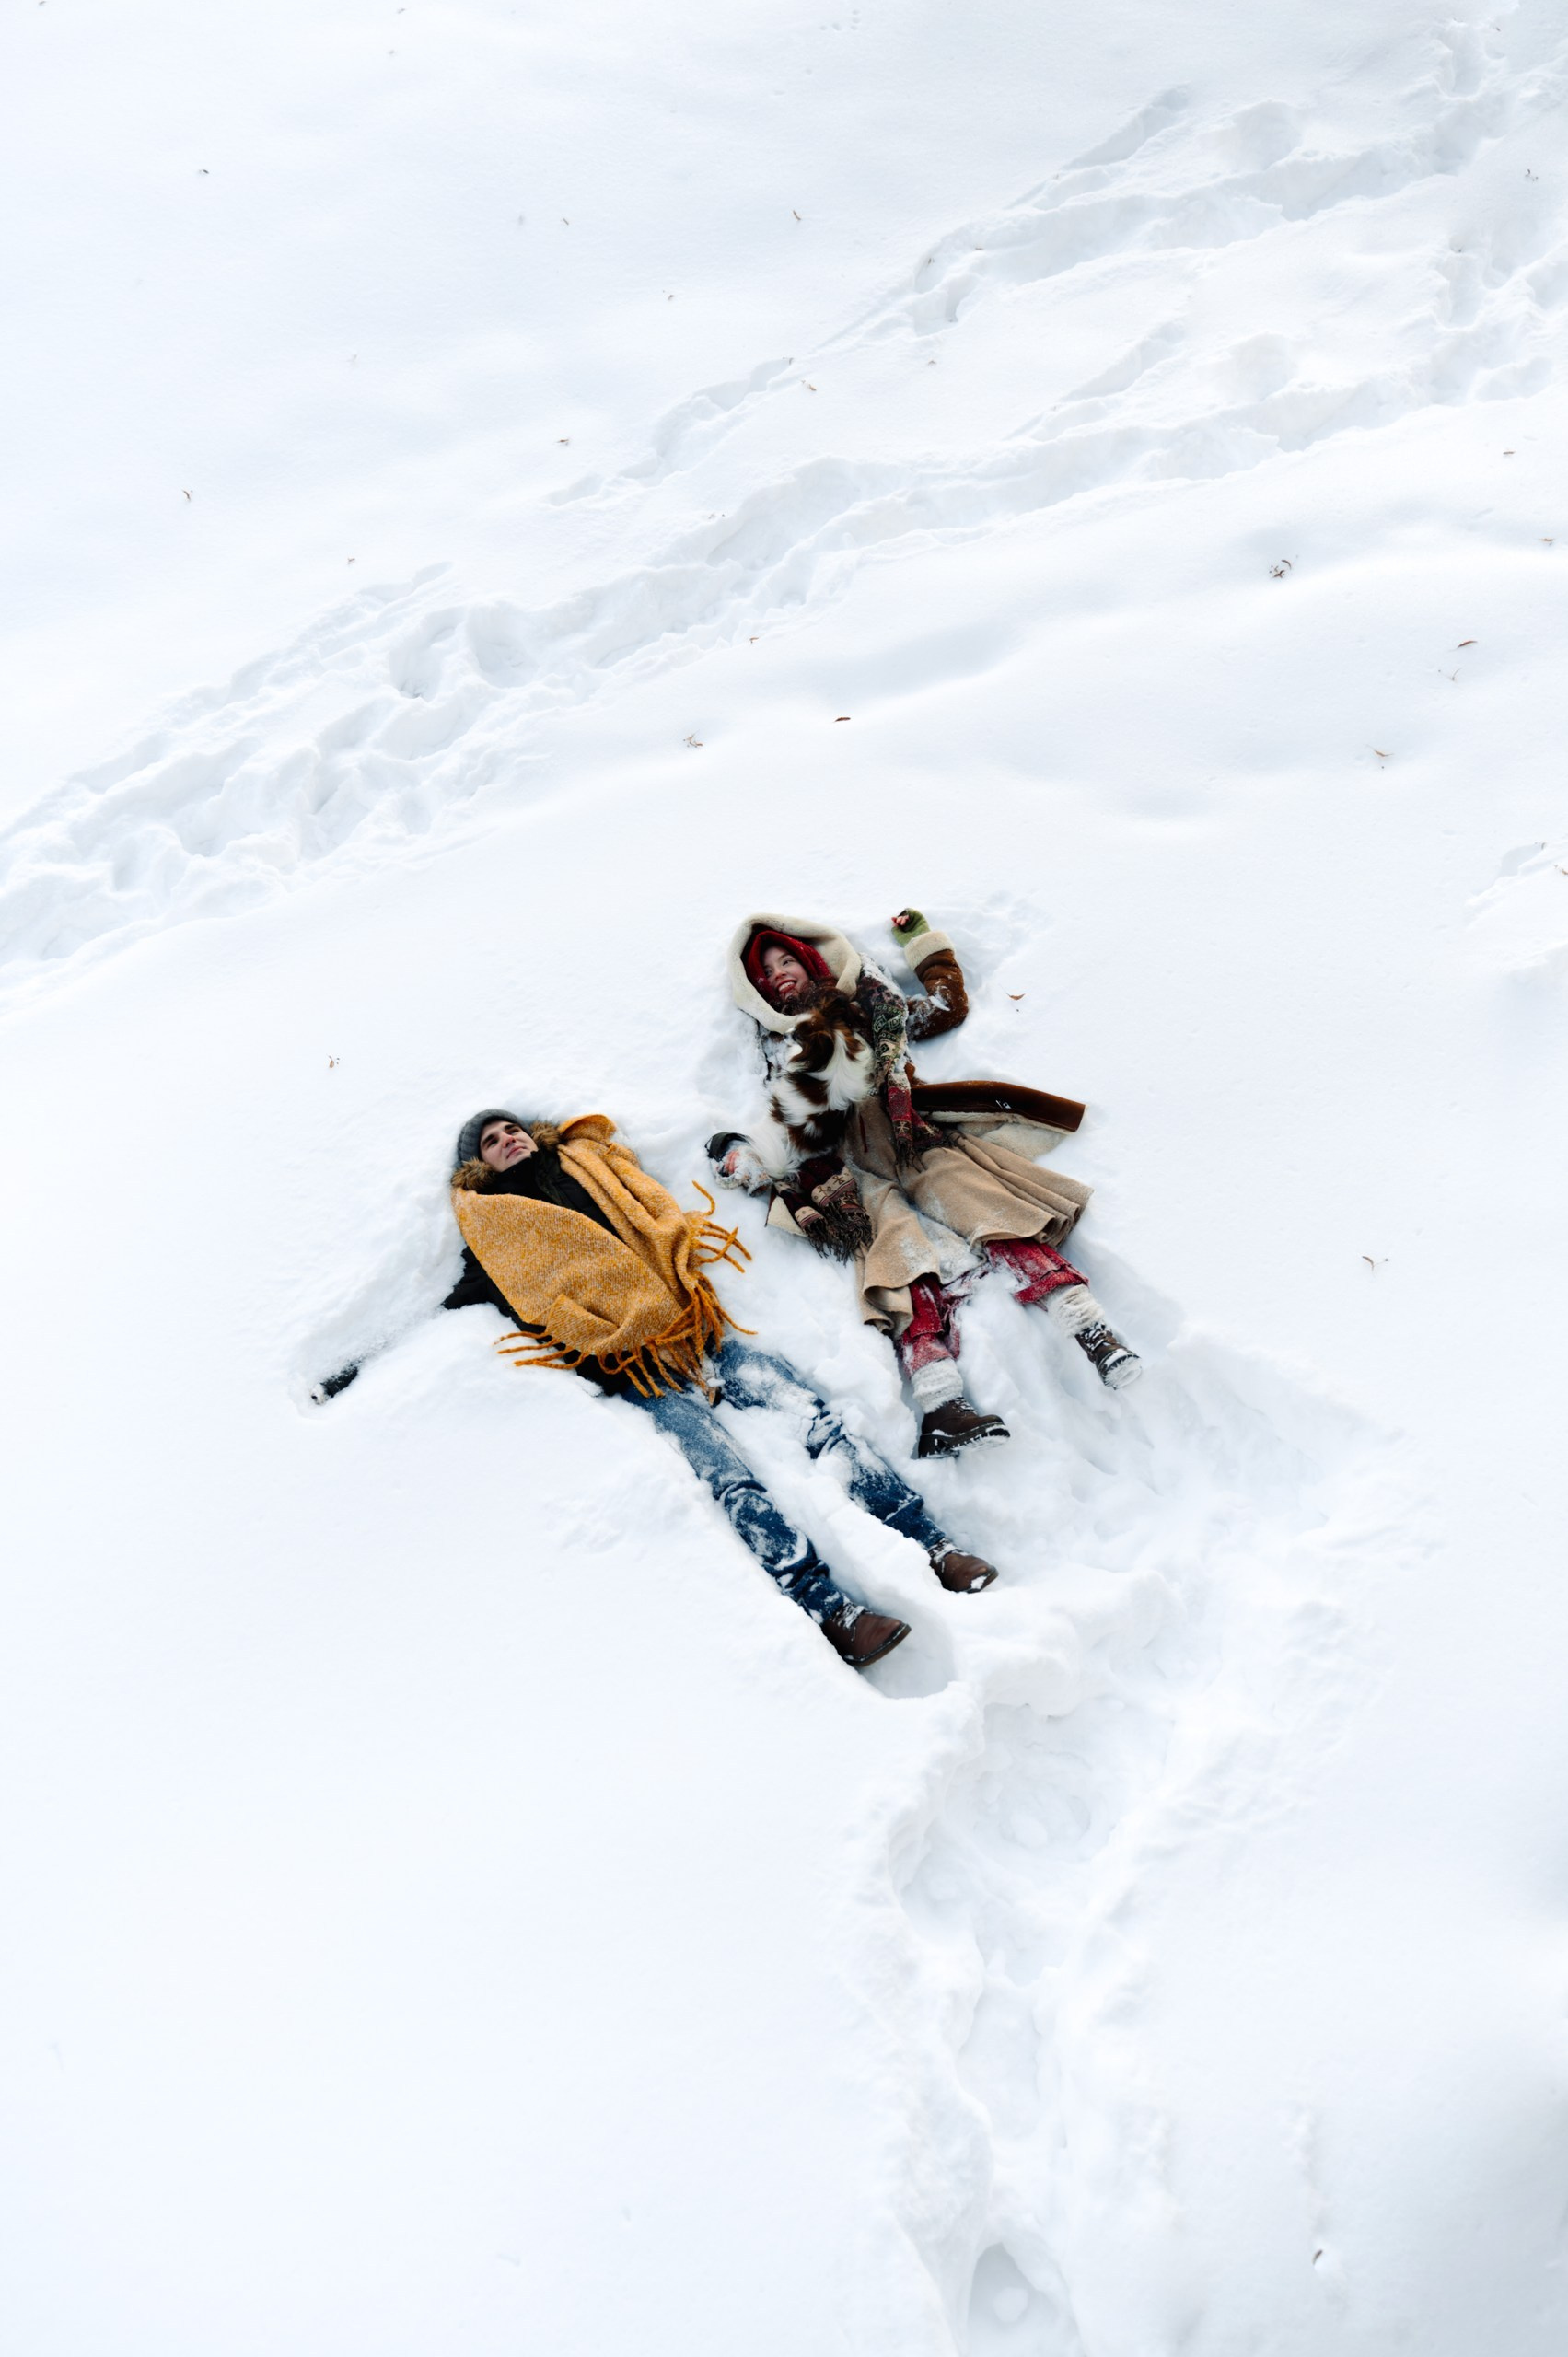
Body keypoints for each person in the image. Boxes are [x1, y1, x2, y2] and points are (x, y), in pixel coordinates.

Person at [437, 1107, 1003, 1671]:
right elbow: (470, 1299)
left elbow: (650, 1204)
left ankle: (936, 1547)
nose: (507, 1139)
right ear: (478, 1164)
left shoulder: (588, 1163)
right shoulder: (495, 1230)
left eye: (511, 1129)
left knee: (816, 1422)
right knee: (730, 1481)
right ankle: (832, 1613)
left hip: (696, 1326)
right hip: (632, 1368)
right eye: (491, 1140)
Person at [707, 911, 1141, 1459]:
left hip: (913, 1139)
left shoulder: (873, 1010)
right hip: (853, 1170)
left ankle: (1093, 1334)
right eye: (766, 971)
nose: (779, 973)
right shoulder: (775, 1045)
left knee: (986, 1206)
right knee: (897, 1259)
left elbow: (944, 1005)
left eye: (786, 959)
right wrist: (742, 1154)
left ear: (811, 959)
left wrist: (921, 943)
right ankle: (942, 1406)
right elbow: (784, 1129)